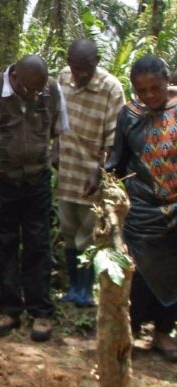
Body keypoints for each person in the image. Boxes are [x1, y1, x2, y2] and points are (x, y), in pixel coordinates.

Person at [0, 55, 69, 342]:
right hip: (0, 181)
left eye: (39, 90)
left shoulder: (52, 90)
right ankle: (9, 309)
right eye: (29, 89)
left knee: (38, 242)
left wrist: (54, 157)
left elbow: (59, 128)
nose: (35, 95)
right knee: (4, 243)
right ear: (16, 77)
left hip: (37, 179)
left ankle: (40, 311)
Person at [105, 55, 177, 362]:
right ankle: (129, 335)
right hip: (139, 211)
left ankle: (163, 334)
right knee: (137, 278)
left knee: (173, 276)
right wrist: (105, 184)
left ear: (167, 81)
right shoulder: (129, 115)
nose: (148, 96)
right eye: (141, 90)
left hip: (174, 211)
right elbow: (117, 161)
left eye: (155, 88)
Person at [56, 39, 125, 308]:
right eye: (75, 68)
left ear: (96, 63)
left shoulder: (111, 88)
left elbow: (113, 137)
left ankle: (86, 290)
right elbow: (56, 119)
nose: (79, 74)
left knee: (89, 234)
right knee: (68, 231)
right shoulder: (62, 77)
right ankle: (73, 286)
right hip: (66, 172)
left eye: (84, 69)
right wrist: (55, 150)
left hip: (92, 176)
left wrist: (100, 171)